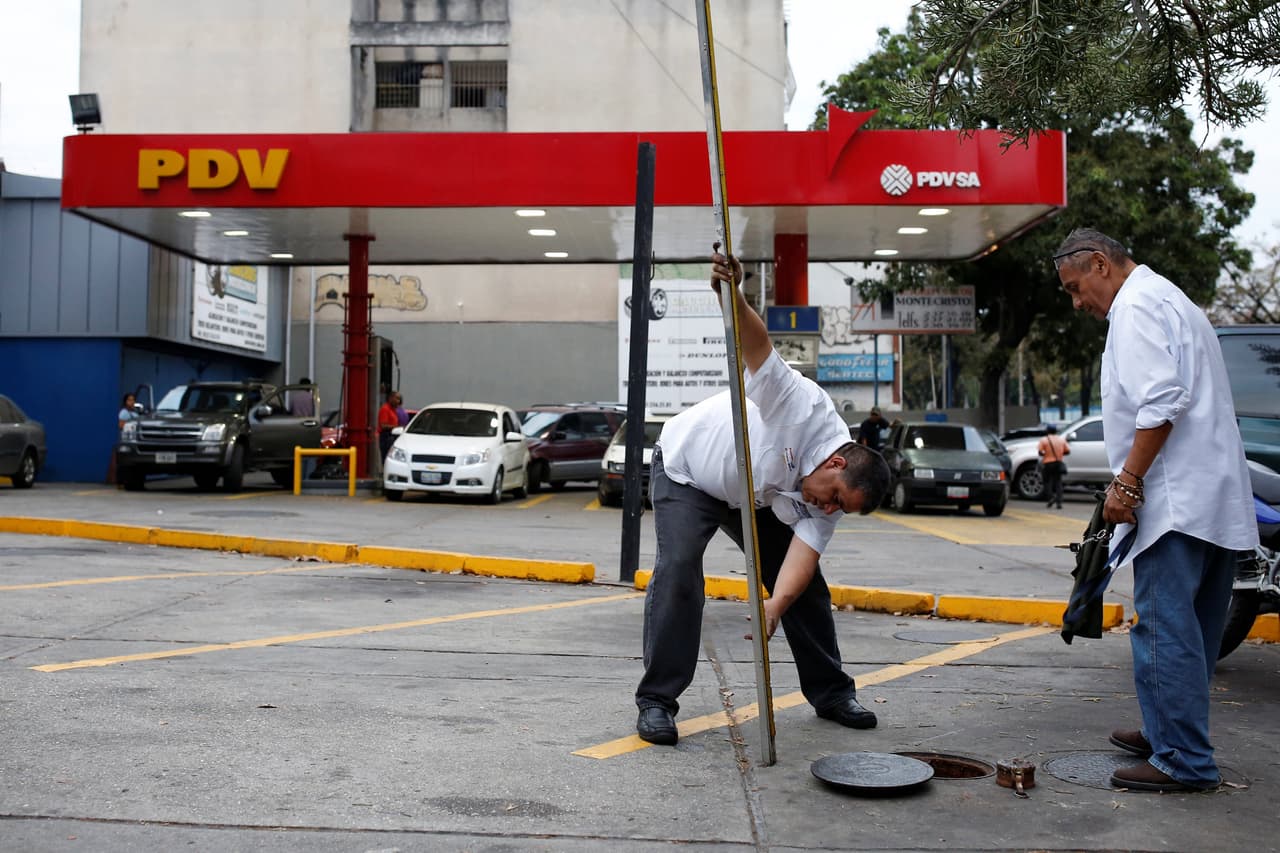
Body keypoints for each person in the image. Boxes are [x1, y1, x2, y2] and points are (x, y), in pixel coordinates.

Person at [635, 246, 891, 746]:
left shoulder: (834, 491)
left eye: (842, 509)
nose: (830, 508)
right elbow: (757, 346)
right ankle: (657, 702)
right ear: (835, 462)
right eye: (834, 497)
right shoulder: (800, 403)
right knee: (680, 568)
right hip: (689, 472)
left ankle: (832, 693)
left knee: (804, 589)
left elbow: (801, 554)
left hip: (754, 496)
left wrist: (774, 607)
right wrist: (731, 294)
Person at [1053, 227, 1257, 792]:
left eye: (1075, 288)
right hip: (1212, 498)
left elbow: (1162, 398)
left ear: (1100, 264)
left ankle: (1183, 760)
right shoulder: (1173, 298)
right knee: (1195, 631)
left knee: (1165, 630)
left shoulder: (1136, 306)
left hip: (1177, 502)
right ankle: (1168, 728)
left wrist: (1127, 483)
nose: (1078, 303)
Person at [1036, 424, 1069, 509]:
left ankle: (1051, 498)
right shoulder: (1061, 440)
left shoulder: (1044, 440)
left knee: (1047, 482)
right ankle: (1059, 502)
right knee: (1058, 483)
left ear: (1047, 431)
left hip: (1048, 463)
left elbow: (1040, 452)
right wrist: (1060, 454)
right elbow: (1067, 451)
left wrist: (1046, 454)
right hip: (1058, 463)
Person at [378, 391, 401, 459]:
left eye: (399, 399)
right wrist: (397, 427)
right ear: (390, 398)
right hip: (386, 437)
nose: (398, 401)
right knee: (386, 458)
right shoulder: (385, 409)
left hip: (392, 437)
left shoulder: (393, 410)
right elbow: (383, 425)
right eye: (397, 398)